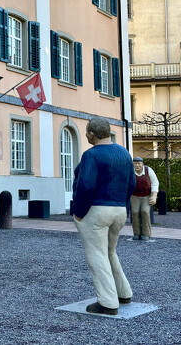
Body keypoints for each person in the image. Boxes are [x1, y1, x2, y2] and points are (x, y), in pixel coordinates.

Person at [71, 117, 135, 316]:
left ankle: (108, 302)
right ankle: (123, 292)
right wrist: (122, 205)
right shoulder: (124, 152)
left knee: (97, 255)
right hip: (119, 209)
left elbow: (86, 185)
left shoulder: (91, 154)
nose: (86, 135)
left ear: (92, 134)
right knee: (110, 252)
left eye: (87, 132)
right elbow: (131, 182)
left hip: (97, 210)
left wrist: (79, 212)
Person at [131, 156, 158, 240]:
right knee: (135, 212)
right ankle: (137, 233)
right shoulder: (130, 171)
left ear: (142, 164)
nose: (137, 166)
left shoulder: (148, 170)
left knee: (145, 211)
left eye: (139, 163)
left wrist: (154, 196)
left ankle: (146, 233)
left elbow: (155, 183)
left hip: (146, 195)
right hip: (134, 195)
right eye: (135, 164)